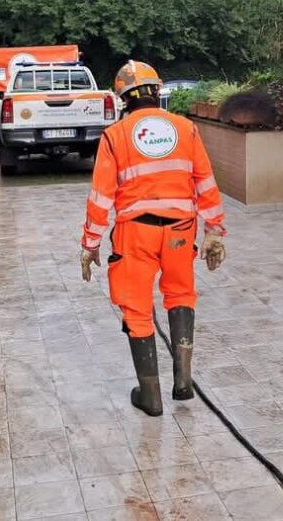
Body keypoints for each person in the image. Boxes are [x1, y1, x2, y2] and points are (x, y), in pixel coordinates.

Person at [80, 61, 227, 416]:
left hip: (137, 235)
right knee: (180, 295)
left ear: (122, 99)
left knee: (137, 307)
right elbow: (204, 181)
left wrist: (90, 243)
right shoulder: (185, 128)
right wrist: (215, 231)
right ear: (157, 92)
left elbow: (102, 195)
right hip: (180, 232)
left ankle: (151, 396)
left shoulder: (115, 136)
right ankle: (183, 380)